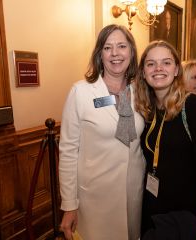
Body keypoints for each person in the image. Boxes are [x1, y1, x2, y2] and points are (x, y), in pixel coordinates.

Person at [59, 24, 146, 240]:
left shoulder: (141, 92)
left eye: (122, 46)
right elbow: (68, 151)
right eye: (108, 48)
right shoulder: (81, 92)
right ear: (100, 54)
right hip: (94, 199)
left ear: (132, 52)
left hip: (133, 196)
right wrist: (69, 204)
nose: (115, 53)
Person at [134, 40, 196, 240]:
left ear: (177, 69)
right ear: (143, 72)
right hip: (152, 206)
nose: (158, 68)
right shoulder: (145, 109)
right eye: (151, 63)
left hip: (183, 210)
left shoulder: (192, 105)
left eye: (166, 62)